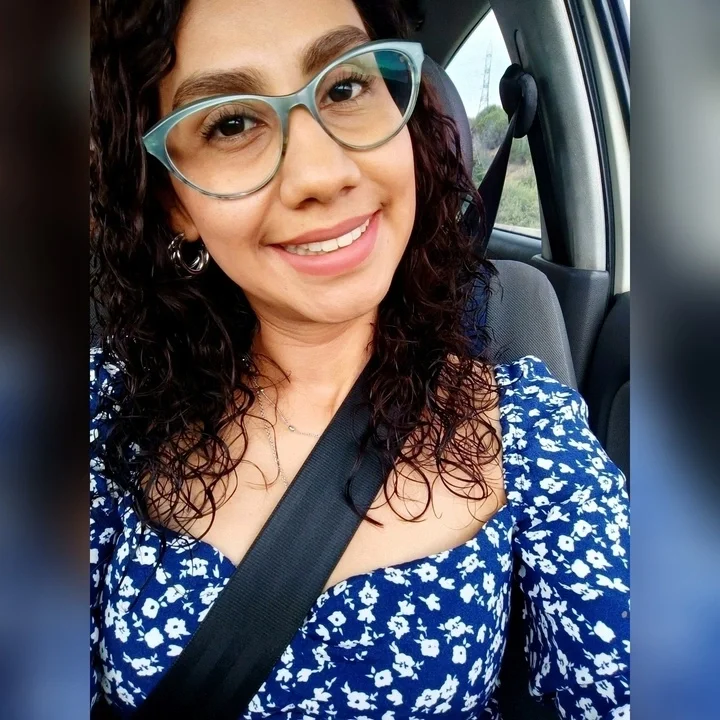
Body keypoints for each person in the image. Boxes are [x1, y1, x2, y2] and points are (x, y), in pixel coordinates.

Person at [90, 0, 630, 717]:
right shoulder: (105, 415)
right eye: (232, 123)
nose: (320, 172)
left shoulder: (527, 430)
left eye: (345, 85)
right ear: (176, 202)